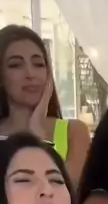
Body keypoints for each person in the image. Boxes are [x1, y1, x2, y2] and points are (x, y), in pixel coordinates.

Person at [0, 25, 91, 184]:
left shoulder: (74, 132)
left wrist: (38, 135)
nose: (30, 74)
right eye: (15, 65)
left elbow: (65, 191)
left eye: (39, 64)